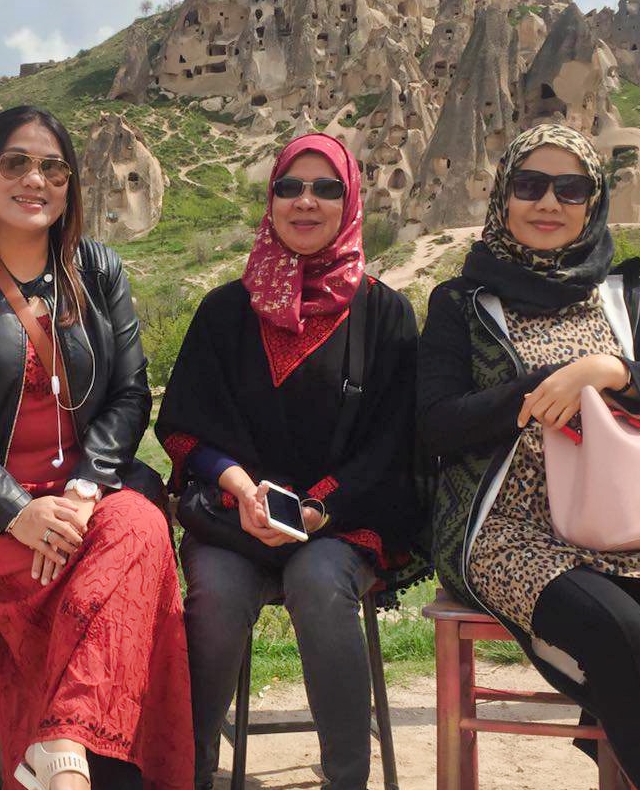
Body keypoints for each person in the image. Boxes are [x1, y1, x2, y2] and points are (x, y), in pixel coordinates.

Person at [416, 122, 640, 790]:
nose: (549, 202)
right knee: (618, 631)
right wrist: (532, 392)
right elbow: (434, 424)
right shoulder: (460, 303)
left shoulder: (619, 294)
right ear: (504, 196)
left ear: (592, 201)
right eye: (530, 185)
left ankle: (628, 759)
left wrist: (608, 369)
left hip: (628, 525)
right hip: (505, 531)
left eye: (570, 188)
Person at [0, 106, 190, 790]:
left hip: (85, 499)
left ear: (71, 184)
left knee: (140, 524)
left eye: (53, 166)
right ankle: (86, 758)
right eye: (16, 162)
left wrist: (84, 491)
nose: (36, 179)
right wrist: (17, 509)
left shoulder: (99, 269)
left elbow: (130, 394)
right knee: (96, 588)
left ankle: (60, 745)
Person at [156, 133, 423, 790]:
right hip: (231, 517)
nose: (306, 201)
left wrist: (317, 505)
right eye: (290, 186)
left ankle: (345, 779)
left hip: (343, 519)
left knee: (318, 584)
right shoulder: (226, 310)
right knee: (213, 600)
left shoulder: (384, 315)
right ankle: (184, 774)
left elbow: (395, 441)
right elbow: (188, 420)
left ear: (350, 199)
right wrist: (244, 491)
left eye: (325, 187)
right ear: (270, 198)